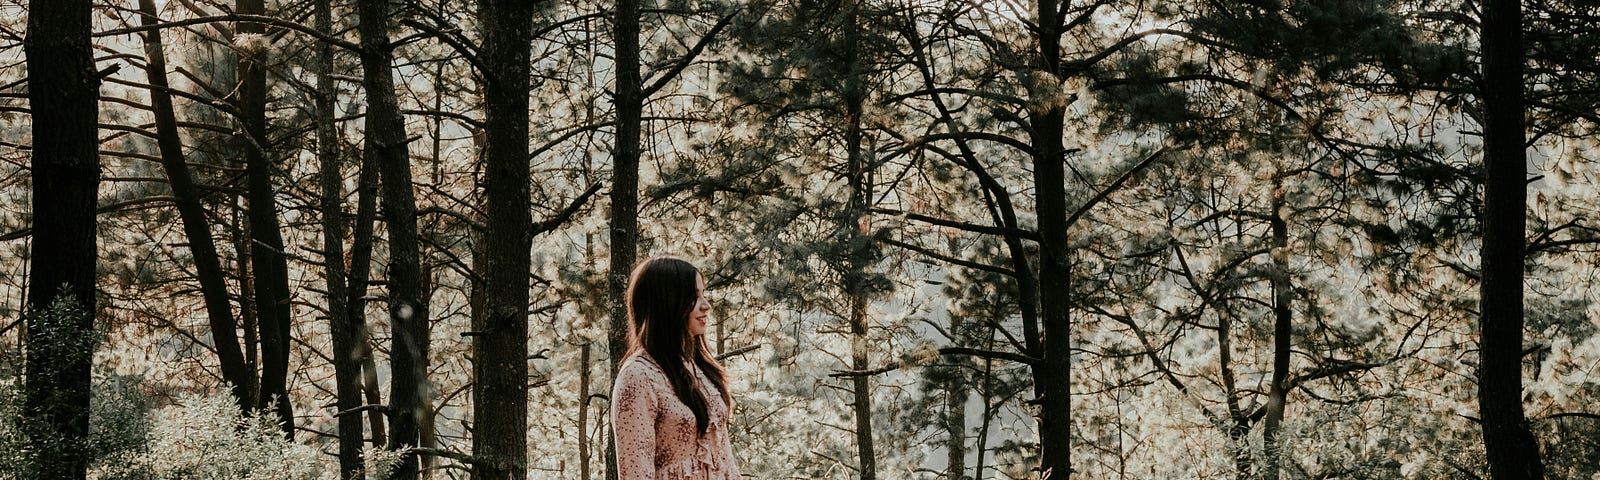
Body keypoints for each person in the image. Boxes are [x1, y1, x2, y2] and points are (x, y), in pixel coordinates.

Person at [612, 256, 740, 479]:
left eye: (703, 294)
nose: (706, 305)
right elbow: (636, 473)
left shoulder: (700, 368)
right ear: (667, 303)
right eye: (694, 296)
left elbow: (724, 459)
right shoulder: (638, 376)